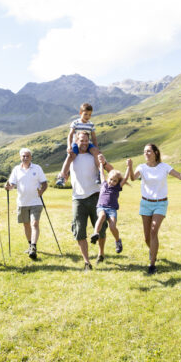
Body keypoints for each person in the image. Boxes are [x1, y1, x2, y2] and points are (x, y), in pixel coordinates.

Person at [128, 143, 181, 274]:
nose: (146, 154)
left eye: (149, 151)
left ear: (155, 153)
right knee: (147, 238)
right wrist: (130, 167)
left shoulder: (164, 167)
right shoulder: (141, 167)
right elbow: (132, 178)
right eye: (144, 152)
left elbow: (180, 175)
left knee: (154, 232)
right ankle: (153, 252)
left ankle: (152, 265)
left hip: (160, 203)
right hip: (145, 203)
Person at [69, 130, 112, 270]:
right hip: (78, 199)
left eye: (86, 140)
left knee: (101, 228)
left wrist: (105, 163)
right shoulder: (71, 157)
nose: (84, 143)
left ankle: (101, 253)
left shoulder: (94, 156)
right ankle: (87, 262)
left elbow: (108, 168)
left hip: (96, 196)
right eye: (82, 140)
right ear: (76, 141)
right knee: (79, 230)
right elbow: (64, 171)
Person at [5, 148, 48, 260]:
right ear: (20, 157)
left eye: (27, 156)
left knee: (35, 224)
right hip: (22, 202)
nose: (25, 158)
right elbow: (12, 185)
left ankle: (33, 247)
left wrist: (41, 191)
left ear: (31, 157)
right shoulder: (16, 170)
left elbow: (44, 183)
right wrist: (8, 187)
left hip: (36, 202)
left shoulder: (37, 168)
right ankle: (30, 245)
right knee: (26, 225)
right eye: (23, 156)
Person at [89, 159, 131, 254]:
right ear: (108, 178)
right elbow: (102, 173)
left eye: (115, 181)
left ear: (117, 182)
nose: (112, 182)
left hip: (112, 209)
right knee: (102, 216)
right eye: (111, 179)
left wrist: (129, 167)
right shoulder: (104, 183)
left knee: (112, 227)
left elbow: (125, 179)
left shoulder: (117, 187)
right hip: (101, 207)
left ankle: (117, 241)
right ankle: (95, 233)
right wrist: (100, 163)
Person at [56, 103, 101, 187]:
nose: (88, 116)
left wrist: (96, 148)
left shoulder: (91, 124)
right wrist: (69, 146)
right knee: (70, 156)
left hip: (88, 144)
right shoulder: (75, 123)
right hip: (76, 144)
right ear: (80, 113)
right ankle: (62, 176)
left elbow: (94, 137)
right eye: (86, 114)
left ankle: (100, 174)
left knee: (96, 153)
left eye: (90, 115)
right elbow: (70, 135)